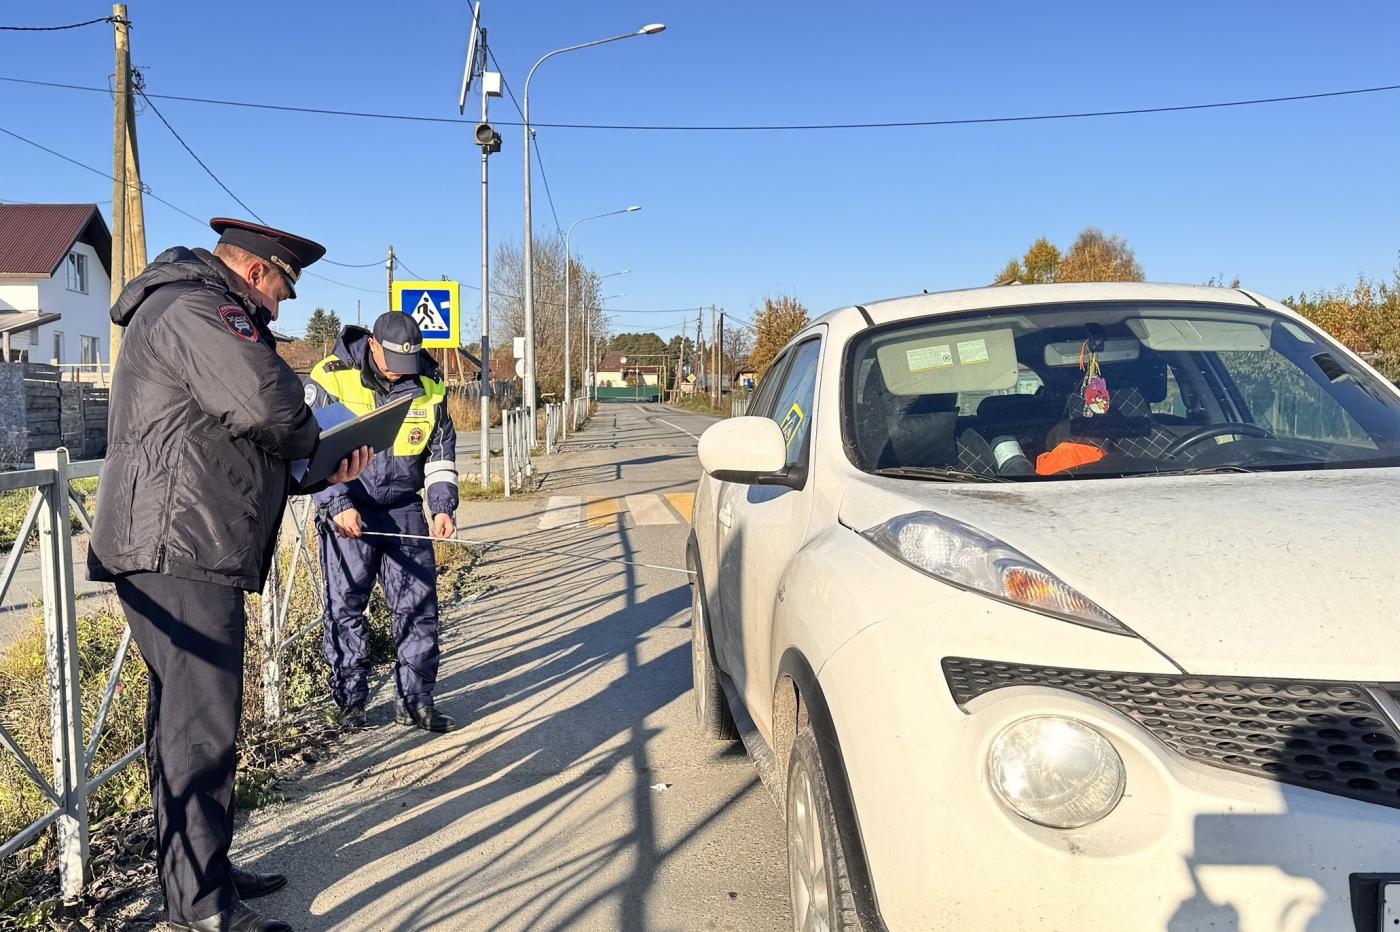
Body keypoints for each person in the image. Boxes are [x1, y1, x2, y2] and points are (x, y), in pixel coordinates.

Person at [88, 218, 370, 932]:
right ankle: (202, 909)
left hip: (179, 541)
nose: (282, 308)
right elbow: (267, 404)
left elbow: (232, 443)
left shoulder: (192, 309)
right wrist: (319, 436)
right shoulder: (197, 308)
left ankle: (199, 876)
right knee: (201, 732)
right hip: (179, 547)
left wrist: (324, 467)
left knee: (184, 725)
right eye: (281, 288)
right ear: (255, 274)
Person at [307, 312, 459, 733]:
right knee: (346, 608)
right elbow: (310, 448)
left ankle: (415, 701)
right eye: (392, 362)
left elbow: (441, 450)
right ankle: (350, 702)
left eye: (406, 365)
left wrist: (443, 505)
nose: (399, 374)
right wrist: (336, 503)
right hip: (348, 506)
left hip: (404, 509)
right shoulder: (331, 376)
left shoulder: (428, 382)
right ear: (373, 345)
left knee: (417, 607)